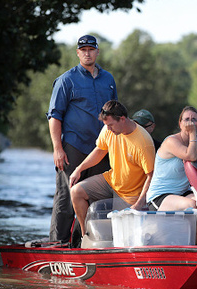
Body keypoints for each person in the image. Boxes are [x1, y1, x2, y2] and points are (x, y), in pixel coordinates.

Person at [46, 34, 117, 243]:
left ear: (97, 52)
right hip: (73, 147)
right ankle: (57, 244)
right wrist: (57, 148)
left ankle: (80, 243)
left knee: (96, 198)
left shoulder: (109, 79)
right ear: (78, 53)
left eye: (91, 49)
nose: (87, 53)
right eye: (83, 50)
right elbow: (54, 115)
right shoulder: (66, 80)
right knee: (66, 198)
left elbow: (115, 114)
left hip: (101, 149)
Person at [69, 100, 155, 237]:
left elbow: (151, 176)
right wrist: (78, 169)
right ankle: (85, 236)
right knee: (76, 191)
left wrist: (140, 203)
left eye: (110, 125)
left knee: (120, 236)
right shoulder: (108, 129)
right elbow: (99, 151)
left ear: (122, 119)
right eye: (106, 125)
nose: (108, 129)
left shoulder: (143, 142)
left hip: (131, 194)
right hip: (111, 181)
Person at [146, 106, 197, 211]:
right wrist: (192, 133)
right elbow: (191, 155)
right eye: (186, 120)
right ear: (180, 124)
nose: (190, 123)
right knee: (192, 205)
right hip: (161, 195)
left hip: (183, 192)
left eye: (194, 120)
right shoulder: (171, 141)